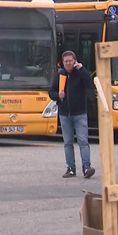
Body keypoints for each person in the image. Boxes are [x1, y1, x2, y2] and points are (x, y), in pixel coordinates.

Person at [49, 50, 95, 179]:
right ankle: (70, 168)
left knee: (83, 141)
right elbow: (51, 91)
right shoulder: (59, 75)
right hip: (65, 113)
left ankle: (86, 167)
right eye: (66, 61)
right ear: (62, 63)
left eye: (70, 61)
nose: (68, 63)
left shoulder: (80, 73)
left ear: (75, 61)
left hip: (80, 112)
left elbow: (89, 85)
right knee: (68, 142)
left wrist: (83, 70)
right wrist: (58, 95)